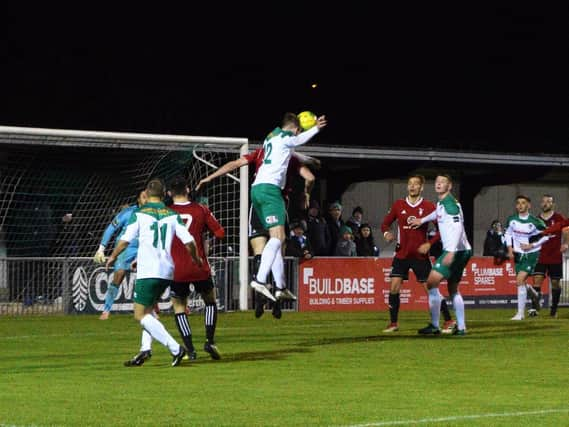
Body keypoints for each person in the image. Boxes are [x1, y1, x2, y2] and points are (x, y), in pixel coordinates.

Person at [195, 142, 318, 318]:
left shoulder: (261, 153)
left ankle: (262, 294)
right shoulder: (289, 157)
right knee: (277, 250)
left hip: (258, 204)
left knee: (260, 253)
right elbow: (309, 177)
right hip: (277, 203)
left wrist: (210, 177)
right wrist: (307, 192)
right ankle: (276, 293)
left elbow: (235, 164)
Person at [106, 178, 203, 367]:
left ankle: (176, 349)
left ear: (148, 194)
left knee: (140, 315)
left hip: (148, 271)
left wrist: (112, 256)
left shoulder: (140, 214)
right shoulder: (172, 214)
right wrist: (196, 258)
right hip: (167, 271)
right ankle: (145, 350)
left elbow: (125, 240)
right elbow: (189, 241)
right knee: (149, 310)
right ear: (163, 193)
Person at [249, 112, 327, 304]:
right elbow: (296, 141)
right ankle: (259, 280)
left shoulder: (272, 136)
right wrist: (316, 128)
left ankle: (280, 287)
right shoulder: (287, 136)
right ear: (296, 128)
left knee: (278, 237)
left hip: (257, 190)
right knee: (278, 238)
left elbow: (291, 151)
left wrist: (309, 160)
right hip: (270, 190)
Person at [381, 175, 454, 333]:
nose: (412, 186)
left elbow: (442, 229)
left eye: (416, 184)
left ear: (421, 188)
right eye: (410, 184)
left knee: (431, 289)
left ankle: (448, 320)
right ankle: (393, 323)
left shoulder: (428, 206)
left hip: (420, 257)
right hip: (401, 254)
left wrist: (429, 243)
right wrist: (386, 233)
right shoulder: (398, 205)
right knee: (393, 287)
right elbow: (385, 223)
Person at [168, 176, 225, 359]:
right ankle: (209, 341)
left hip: (176, 269)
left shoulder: (166, 213)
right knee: (210, 302)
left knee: (179, 307)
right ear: (188, 190)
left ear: (169, 193)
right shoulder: (201, 209)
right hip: (199, 266)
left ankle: (190, 349)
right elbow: (220, 233)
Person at [410, 174, 472, 335]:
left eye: (442, 182)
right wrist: (422, 220)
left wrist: (450, 251)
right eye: (437, 182)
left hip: (455, 250)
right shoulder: (442, 203)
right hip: (462, 250)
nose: (438, 184)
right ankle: (461, 327)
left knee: (431, 282)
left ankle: (435, 325)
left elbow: (458, 228)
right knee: (452, 288)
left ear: (449, 186)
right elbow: (436, 214)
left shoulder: (450, 205)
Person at [93, 190, 148, 320]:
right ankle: (106, 309)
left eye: (148, 197)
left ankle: (150, 309)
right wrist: (101, 249)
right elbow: (111, 229)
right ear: (138, 200)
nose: (147, 199)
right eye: (144, 197)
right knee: (119, 275)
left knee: (148, 277)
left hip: (144, 249)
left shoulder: (152, 213)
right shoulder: (128, 213)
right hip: (126, 248)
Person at [503, 195, 549, 320]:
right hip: (518, 254)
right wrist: (510, 248)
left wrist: (532, 245)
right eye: (518, 203)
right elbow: (508, 233)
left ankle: (520, 314)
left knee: (519, 280)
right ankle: (535, 295)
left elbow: (548, 235)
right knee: (521, 282)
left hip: (532, 254)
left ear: (529, 205)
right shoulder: (511, 219)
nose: (520, 205)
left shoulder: (535, 221)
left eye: (523, 203)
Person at [529, 195, 567, 318]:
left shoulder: (558, 218)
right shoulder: (535, 219)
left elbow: (566, 230)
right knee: (537, 281)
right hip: (540, 255)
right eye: (543, 201)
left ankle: (554, 309)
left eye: (548, 202)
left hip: (555, 255)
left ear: (553, 204)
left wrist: (566, 243)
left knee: (555, 282)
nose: (545, 204)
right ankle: (534, 309)